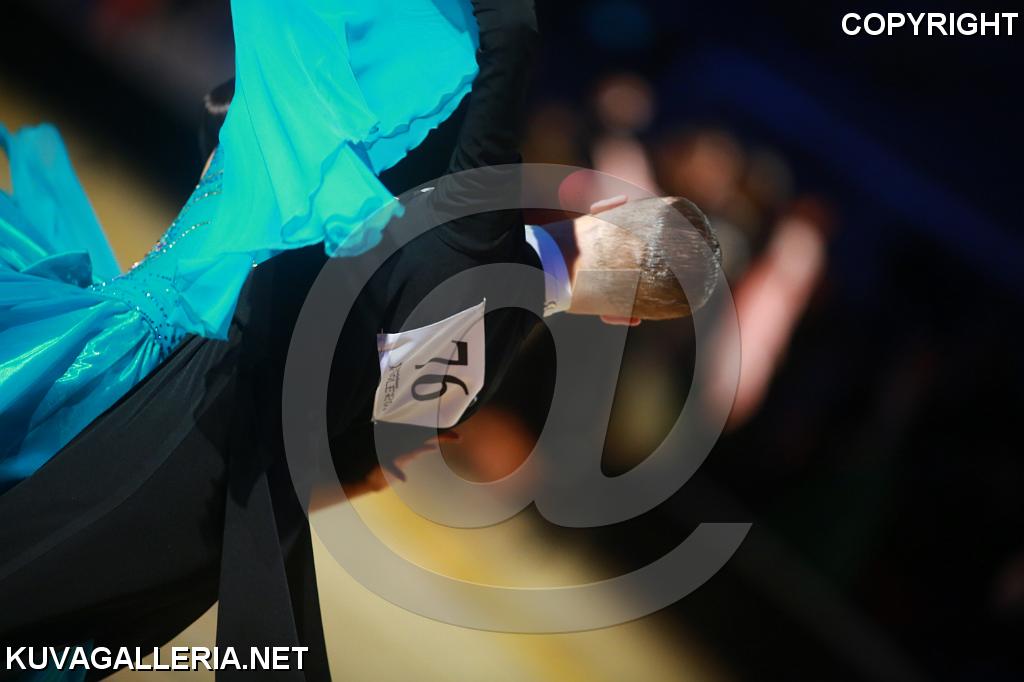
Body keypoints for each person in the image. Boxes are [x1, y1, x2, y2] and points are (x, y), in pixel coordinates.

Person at [0, 1, 720, 679]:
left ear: (611, 203)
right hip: (212, 528)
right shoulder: (480, 377)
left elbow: (511, 30)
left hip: (166, 397)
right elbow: (350, 459)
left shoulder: (472, 221)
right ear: (624, 320)